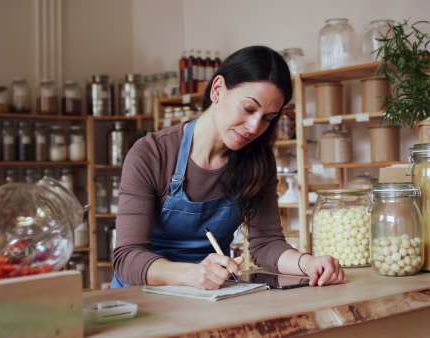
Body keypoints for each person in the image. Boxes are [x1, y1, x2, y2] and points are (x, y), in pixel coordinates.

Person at [111, 45, 346, 289]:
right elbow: (127, 257)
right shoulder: (152, 153)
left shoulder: (258, 160)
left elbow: (266, 243)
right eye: (249, 108)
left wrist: (308, 264)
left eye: (268, 118)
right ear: (218, 89)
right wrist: (191, 275)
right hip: (141, 298)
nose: (255, 127)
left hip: (211, 295)